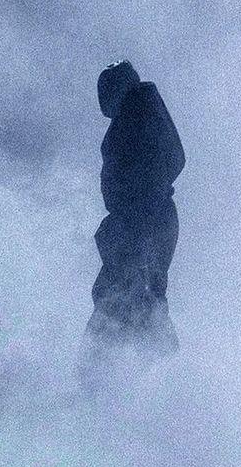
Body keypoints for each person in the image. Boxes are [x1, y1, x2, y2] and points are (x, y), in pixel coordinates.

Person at [79, 60, 185, 385]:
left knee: (125, 297)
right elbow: (177, 160)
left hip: (139, 225)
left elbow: (138, 177)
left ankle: (99, 380)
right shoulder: (147, 116)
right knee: (144, 297)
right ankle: (166, 378)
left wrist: (134, 207)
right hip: (150, 221)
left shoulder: (134, 120)